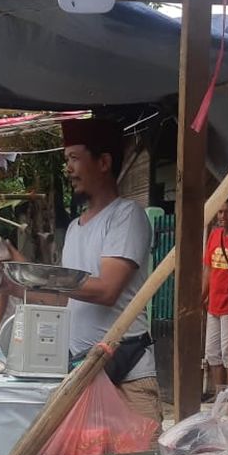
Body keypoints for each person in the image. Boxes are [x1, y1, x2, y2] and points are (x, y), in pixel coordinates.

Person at [58, 118, 162, 424]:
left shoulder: (126, 215)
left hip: (128, 375)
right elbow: (69, 300)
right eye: (66, 160)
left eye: (74, 159)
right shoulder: (75, 230)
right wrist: (16, 284)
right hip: (83, 373)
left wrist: (50, 281)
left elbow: (106, 290)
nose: (69, 169)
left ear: (103, 162)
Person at [202, 196, 228, 394]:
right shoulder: (214, 235)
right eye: (220, 211)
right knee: (212, 353)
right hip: (213, 306)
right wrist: (202, 295)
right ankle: (219, 396)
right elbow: (208, 269)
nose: (223, 216)